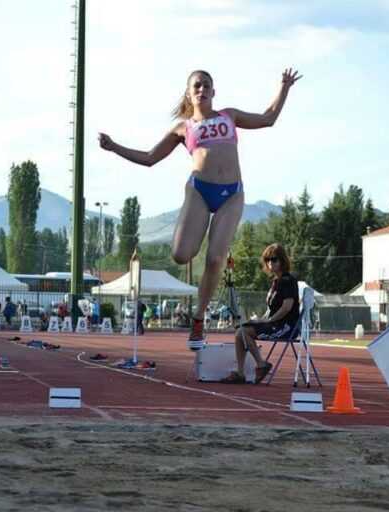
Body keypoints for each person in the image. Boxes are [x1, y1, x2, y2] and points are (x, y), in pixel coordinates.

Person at [99, 68, 302, 345]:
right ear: (189, 93)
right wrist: (114, 147)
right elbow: (149, 157)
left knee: (216, 259)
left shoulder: (229, 115)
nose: (202, 90)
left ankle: (198, 318)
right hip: (199, 191)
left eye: (207, 85)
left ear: (213, 91)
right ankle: (197, 229)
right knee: (181, 254)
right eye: (197, 86)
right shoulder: (183, 128)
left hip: (232, 193)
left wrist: (284, 87)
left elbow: (268, 118)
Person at [222, 243, 298, 384]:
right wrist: (261, 319)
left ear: (282, 260)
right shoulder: (276, 281)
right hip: (274, 323)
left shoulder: (288, 280)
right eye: (267, 260)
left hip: (285, 327)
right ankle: (240, 373)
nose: (270, 263)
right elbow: (271, 309)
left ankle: (261, 364)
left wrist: (268, 320)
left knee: (243, 333)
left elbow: (287, 307)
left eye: (274, 259)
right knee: (240, 330)